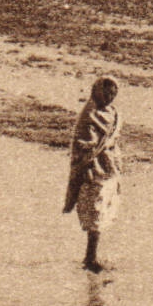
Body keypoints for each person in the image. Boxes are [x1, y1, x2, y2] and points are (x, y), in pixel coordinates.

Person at [63, 76, 123, 272]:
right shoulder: (89, 115)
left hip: (108, 167)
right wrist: (92, 155)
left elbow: (112, 139)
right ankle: (90, 258)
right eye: (106, 93)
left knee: (103, 210)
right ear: (98, 92)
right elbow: (83, 145)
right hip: (92, 170)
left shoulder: (113, 113)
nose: (110, 97)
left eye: (113, 94)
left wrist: (110, 155)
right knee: (94, 213)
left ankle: (91, 257)